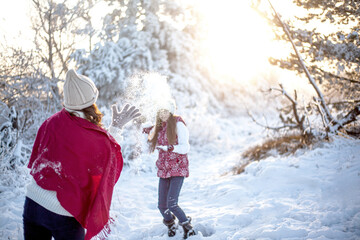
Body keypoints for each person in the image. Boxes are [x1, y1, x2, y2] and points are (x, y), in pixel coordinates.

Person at [23, 69, 140, 240]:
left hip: (33, 204)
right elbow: (106, 162)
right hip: (63, 212)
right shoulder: (91, 136)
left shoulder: (51, 122)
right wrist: (116, 128)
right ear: (91, 100)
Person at [143, 100, 196, 239]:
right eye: (160, 112)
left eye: (165, 111)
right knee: (162, 206)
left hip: (178, 168)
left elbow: (186, 147)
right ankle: (171, 224)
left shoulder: (178, 124)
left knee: (172, 204)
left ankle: (188, 227)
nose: (163, 114)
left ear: (171, 110)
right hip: (164, 169)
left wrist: (170, 148)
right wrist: (146, 133)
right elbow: (149, 148)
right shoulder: (159, 127)